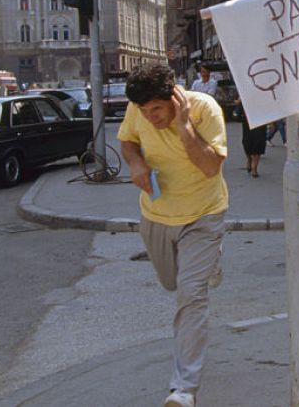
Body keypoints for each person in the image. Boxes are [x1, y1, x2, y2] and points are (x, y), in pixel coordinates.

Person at [117, 63, 228, 407]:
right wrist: (135, 161)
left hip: (203, 215)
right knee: (171, 282)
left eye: (156, 109)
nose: (150, 117)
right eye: (144, 111)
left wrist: (183, 126)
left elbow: (210, 167)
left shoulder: (205, 109)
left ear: (174, 97)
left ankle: (184, 389)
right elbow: (127, 141)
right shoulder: (137, 109)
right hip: (156, 214)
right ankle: (209, 265)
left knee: (190, 296)